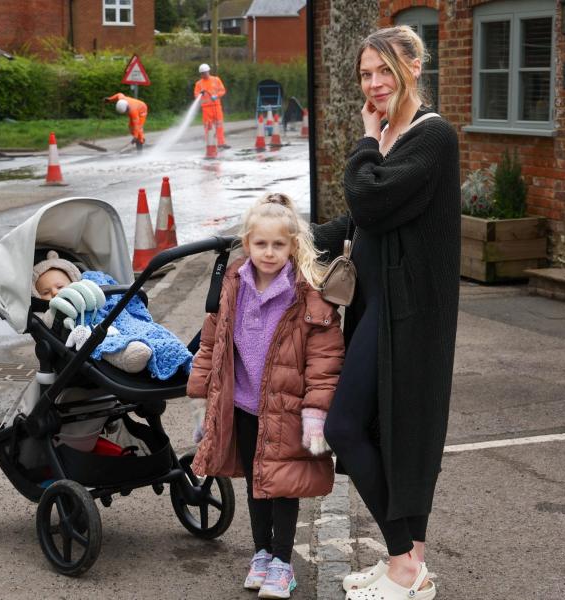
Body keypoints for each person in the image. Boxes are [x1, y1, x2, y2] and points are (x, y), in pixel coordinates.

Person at [313, 26, 461, 600]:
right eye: (366, 75)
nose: (374, 85)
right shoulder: (392, 137)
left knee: (345, 426)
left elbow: (368, 199)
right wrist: (287, 238)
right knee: (394, 436)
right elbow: (359, 225)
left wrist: (365, 141)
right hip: (381, 304)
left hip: (411, 313)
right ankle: (409, 564)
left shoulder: (431, 137)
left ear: (414, 68)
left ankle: (404, 562)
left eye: (385, 72)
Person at [188, 193, 344, 599]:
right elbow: (213, 342)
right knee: (257, 483)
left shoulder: (307, 292)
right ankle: (261, 553)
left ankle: (282, 563)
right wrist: (205, 399)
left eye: (279, 245)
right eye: (261, 244)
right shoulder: (233, 284)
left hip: (286, 408)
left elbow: (325, 357)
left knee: (283, 486)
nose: (270, 253)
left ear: (292, 245)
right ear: (247, 244)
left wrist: (316, 410)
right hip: (242, 404)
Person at [32, 251, 152, 374]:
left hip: (111, 321)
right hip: (87, 344)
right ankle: (126, 354)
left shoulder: (89, 290)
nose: (55, 293)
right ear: (36, 296)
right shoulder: (47, 315)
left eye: (60, 287)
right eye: (45, 293)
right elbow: (47, 321)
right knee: (104, 341)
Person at [193, 63, 229, 148]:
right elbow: (196, 95)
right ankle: (210, 143)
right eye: (202, 73)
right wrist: (200, 94)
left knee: (219, 125)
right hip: (206, 109)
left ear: (208, 71)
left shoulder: (216, 80)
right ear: (200, 74)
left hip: (216, 106)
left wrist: (216, 96)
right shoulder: (199, 83)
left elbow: (222, 90)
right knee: (207, 127)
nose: (204, 74)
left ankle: (221, 143)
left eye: (206, 72)